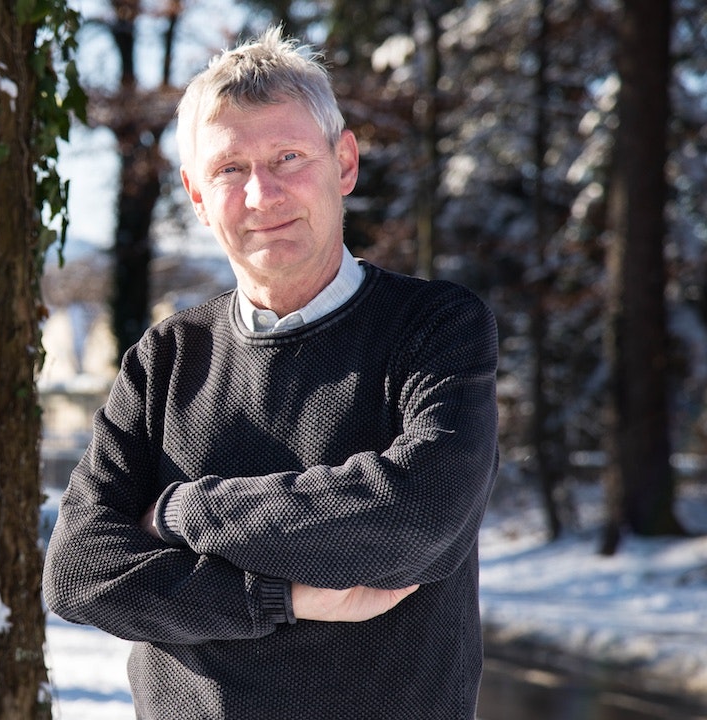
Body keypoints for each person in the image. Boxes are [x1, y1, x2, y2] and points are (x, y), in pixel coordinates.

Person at [41, 26, 499, 720]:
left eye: (288, 156)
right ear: (196, 195)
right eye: (230, 169)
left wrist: (176, 511)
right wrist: (279, 598)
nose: (263, 194)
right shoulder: (166, 359)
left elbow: (416, 519)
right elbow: (79, 572)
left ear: (343, 162)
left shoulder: (434, 327)